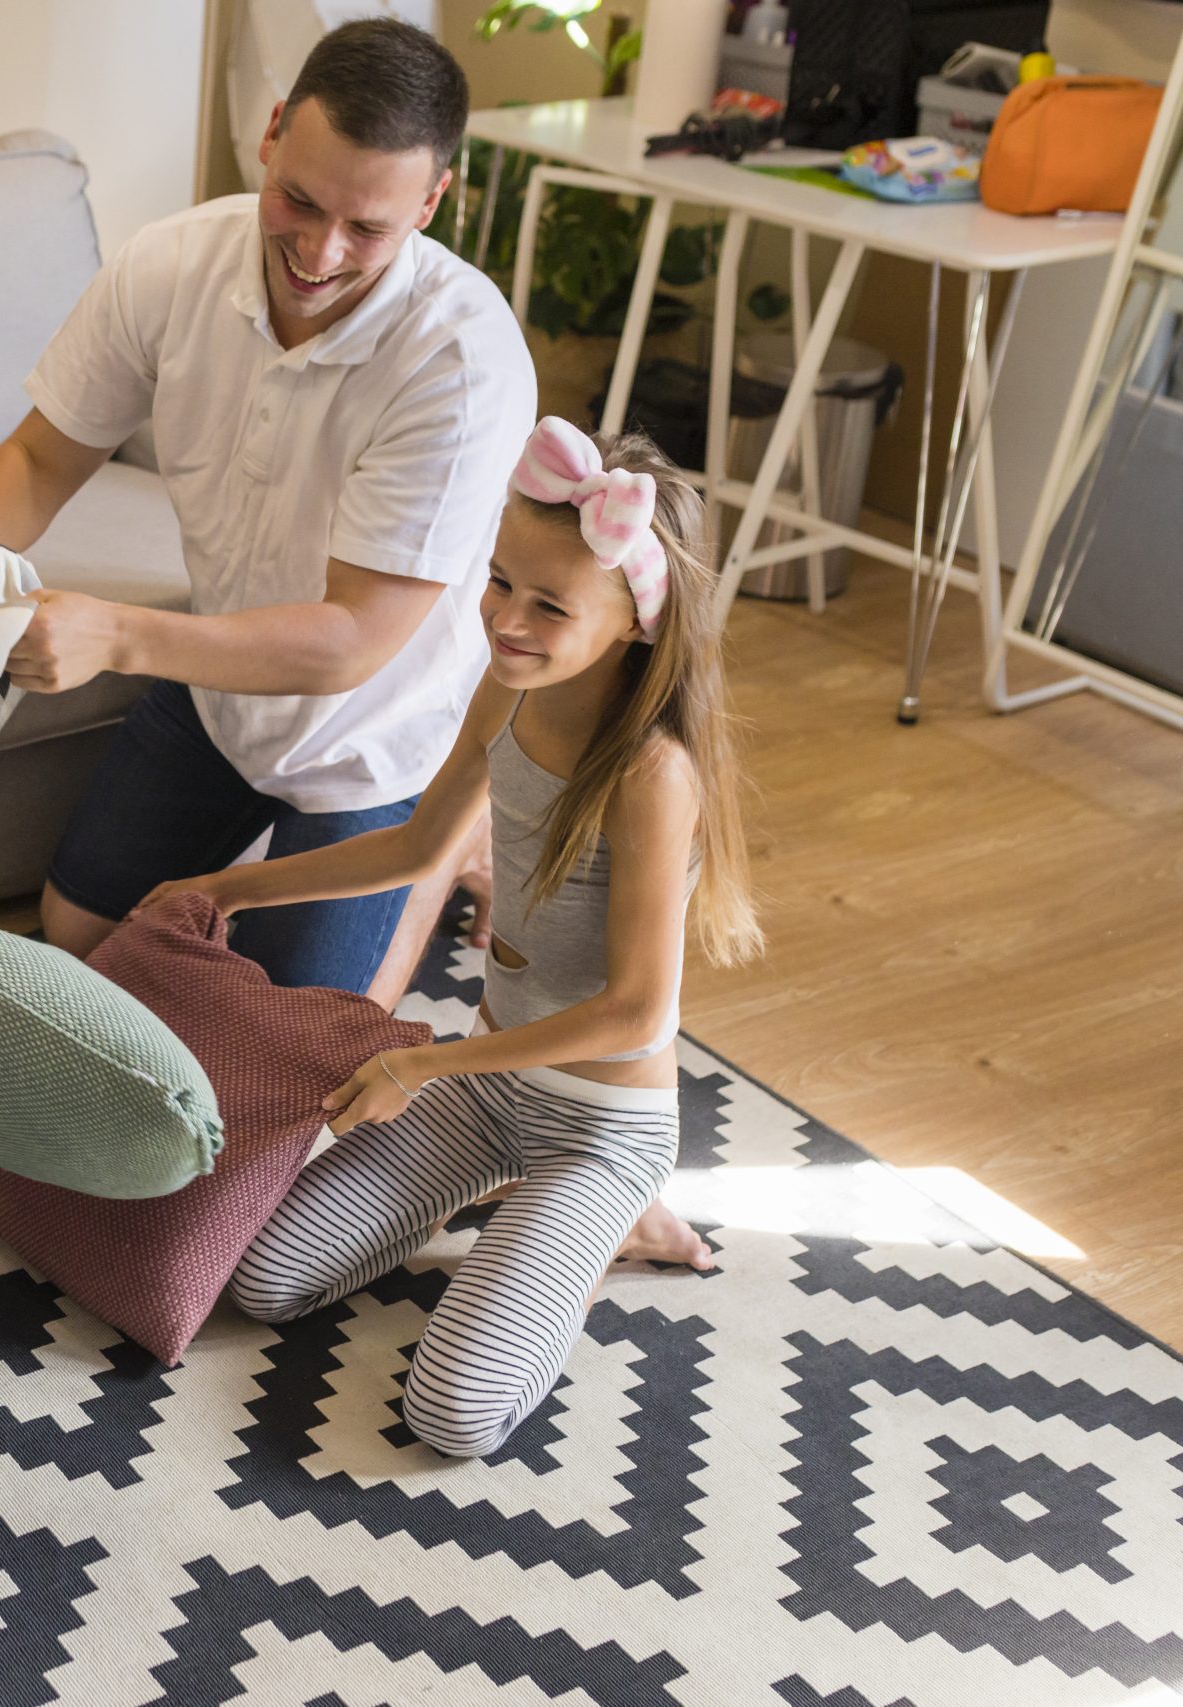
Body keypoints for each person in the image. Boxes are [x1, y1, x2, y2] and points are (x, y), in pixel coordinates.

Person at [0, 19, 532, 1007]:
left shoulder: (460, 362)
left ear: (433, 200)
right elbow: (41, 458)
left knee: (301, 1040)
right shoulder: (171, 263)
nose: (318, 251)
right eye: (298, 201)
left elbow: (350, 643)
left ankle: (435, 842)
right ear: (271, 132)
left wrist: (115, 634)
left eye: (367, 227)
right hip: (221, 687)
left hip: (378, 740)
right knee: (78, 933)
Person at [146, 419, 760, 1458]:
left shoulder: (653, 777)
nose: (505, 621)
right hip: (484, 1089)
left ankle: (612, 1216)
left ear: (638, 624)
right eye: (499, 582)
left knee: (454, 1416)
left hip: (599, 1126)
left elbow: (635, 1012)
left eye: (549, 604)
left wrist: (418, 1067)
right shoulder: (509, 687)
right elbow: (417, 846)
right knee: (260, 1281)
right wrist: (226, 886)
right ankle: (511, 1208)